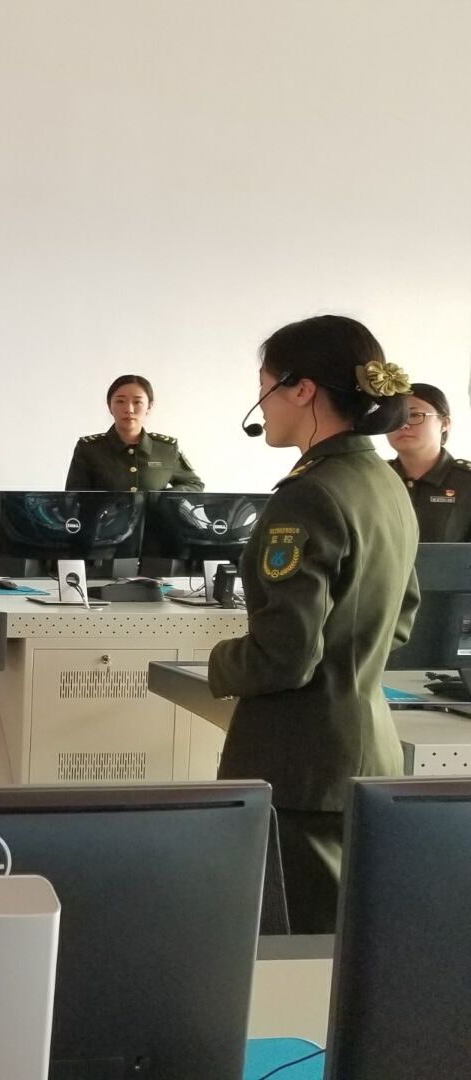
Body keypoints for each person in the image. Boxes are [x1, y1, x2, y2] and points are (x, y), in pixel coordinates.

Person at [209, 314, 418, 934]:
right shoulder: (385, 481)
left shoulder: (310, 494)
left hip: (300, 765)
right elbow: (403, 617)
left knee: (291, 954)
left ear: (302, 389)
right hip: (365, 751)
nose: (263, 407)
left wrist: (219, 662)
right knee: (338, 949)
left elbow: (286, 653)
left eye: (266, 389)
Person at [65, 375, 205, 492]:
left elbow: (194, 484)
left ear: (149, 406)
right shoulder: (89, 449)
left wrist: (162, 499)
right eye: (120, 401)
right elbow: (73, 498)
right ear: (109, 406)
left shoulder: (166, 449)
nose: (129, 409)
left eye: (137, 402)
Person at [385, 382, 471, 542]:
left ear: (444, 423)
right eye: (394, 417)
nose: (403, 425)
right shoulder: (375, 478)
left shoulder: (466, 481)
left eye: (415, 415)